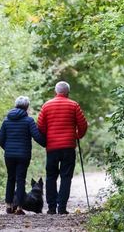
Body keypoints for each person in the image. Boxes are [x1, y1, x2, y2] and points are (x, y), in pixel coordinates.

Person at [37, 81, 88, 215]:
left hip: (52, 147)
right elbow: (83, 125)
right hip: (68, 147)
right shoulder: (73, 105)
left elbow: (40, 127)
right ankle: (62, 207)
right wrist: (77, 135)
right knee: (66, 177)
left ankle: (51, 208)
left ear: (56, 92)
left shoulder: (46, 106)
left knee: (51, 177)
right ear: (68, 92)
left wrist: (47, 138)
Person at [0, 96, 46, 215]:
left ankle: (9, 206)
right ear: (27, 107)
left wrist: (8, 149)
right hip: (23, 156)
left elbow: (0, 139)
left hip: (9, 156)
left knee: (10, 179)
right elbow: (37, 136)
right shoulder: (29, 121)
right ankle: (19, 207)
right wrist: (47, 144)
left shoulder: (6, 120)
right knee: (20, 180)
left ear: (15, 105)